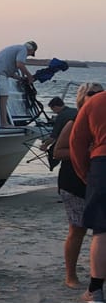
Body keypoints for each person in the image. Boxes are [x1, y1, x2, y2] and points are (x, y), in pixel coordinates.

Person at [52, 83, 103, 288]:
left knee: (100, 230)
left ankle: (97, 273)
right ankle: (70, 275)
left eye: (100, 93)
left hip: (97, 179)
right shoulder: (74, 122)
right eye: (91, 94)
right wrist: (87, 152)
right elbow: (58, 152)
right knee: (77, 228)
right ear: (82, 98)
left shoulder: (99, 121)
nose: (96, 97)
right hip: (74, 181)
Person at [69, 84, 106, 303]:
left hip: (102, 163)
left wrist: (85, 173)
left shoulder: (95, 102)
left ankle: (95, 290)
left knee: (102, 229)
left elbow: (77, 141)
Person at [0, 41, 38, 127]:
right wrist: (29, 76)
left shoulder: (16, 48)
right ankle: (3, 123)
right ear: (31, 49)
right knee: (3, 98)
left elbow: (9, 72)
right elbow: (20, 64)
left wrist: (21, 78)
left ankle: (2, 121)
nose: (27, 56)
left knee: (3, 97)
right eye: (30, 54)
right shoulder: (23, 49)